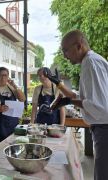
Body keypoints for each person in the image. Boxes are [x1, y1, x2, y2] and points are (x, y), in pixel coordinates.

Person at [44, 29, 108, 180]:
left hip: (105, 129)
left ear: (79, 46)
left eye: (66, 50)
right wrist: (59, 85)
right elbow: (83, 97)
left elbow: (100, 106)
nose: (65, 56)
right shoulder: (93, 60)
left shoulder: (90, 63)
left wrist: (68, 101)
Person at [0, 67, 25, 144]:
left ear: (8, 76)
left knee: (14, 144)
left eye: (5, 75)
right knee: (0, 146)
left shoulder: (12, 88)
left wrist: (14, 85)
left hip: (13, 123)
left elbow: (22, 99)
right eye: (0, 75)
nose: (3, 78)